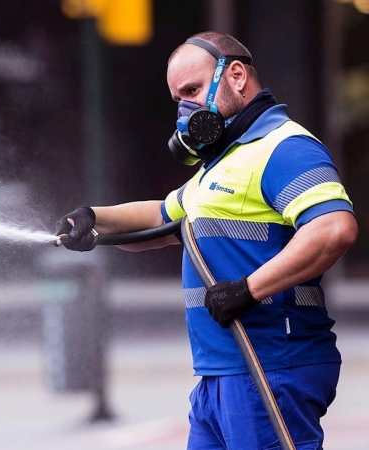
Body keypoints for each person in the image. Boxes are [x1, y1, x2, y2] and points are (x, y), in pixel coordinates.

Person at [54, 31, 358, 449]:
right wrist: (94, 220)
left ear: (235, 76)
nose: (185, 108)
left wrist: (249, 290)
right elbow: (163, 218)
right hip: (221, 373)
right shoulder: (220, 165)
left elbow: (334, 229)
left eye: (193, 90)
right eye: (178, 97)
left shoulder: (284, 148)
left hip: (269, 364)